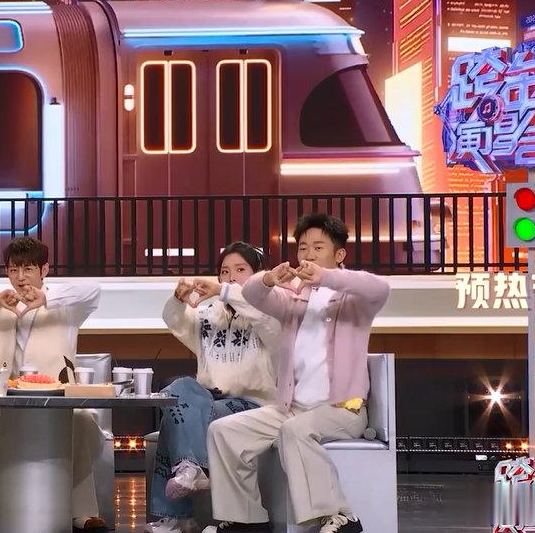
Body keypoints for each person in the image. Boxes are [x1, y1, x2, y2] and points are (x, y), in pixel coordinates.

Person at [204, 215, 390, 533]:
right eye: (303, 247)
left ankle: (341, 517)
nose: (309, 254)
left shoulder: (355, 299)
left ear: (340, 254)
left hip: (342, 409)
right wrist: (267, 279)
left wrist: (326, 277)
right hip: (293, 407)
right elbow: (252, 295)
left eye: (318, 247)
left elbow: (379, 287)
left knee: (295, 431)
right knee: (223, 431)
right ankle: (245, 520)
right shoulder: (294, 296)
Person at [0, 236, 106, 533]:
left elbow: (93, 291)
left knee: (83, 419)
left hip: (58, 404)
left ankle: (83, 513)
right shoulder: (2, 306)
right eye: (14, 270)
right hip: (7, 405)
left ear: (44, 270)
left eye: (28, 269)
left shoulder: (66, 306)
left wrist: (46, 299)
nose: (21, 278)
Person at [145, 242, 281, 533]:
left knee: (173, 419)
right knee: (179, 390)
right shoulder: (210, 314)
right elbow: (176, 321)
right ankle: (189, 470)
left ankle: (175, 516)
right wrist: (178, 299)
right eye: (225, 272)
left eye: (241, 270)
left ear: (258, 275)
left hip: (253, 405)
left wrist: (223, 291)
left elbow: (260, 314)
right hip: (209, 398)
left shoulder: (270, 311)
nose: (231, 278)